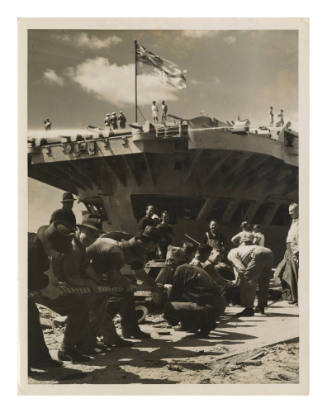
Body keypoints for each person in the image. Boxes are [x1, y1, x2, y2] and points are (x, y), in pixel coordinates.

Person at [28, 221, 89, 372]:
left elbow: (43, 276)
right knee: (24, 318)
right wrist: (50, 290)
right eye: (59, 251)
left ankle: (39, 359)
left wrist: (55, 286)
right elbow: (36, 281)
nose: (60, 255)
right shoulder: (32, 250)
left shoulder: (39, 247)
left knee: (30, 314)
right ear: (50, 245)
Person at [86, 225, 163, 341]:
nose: (156, 248)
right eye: (156, 245)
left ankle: (130, 330)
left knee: (126, 294)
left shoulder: (133, 243)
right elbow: (115, 276)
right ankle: (93, 332)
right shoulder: (119, 248)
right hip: (90, 269)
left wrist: (153, 286)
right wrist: (128, 285)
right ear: (151, 243)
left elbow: (139, 273)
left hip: (103, 267)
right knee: (115, 297)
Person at [163, 244, 226, 337]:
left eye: (170, 260)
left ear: (177, 260)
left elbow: (175, 294)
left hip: (210, 306)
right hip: (217, 303)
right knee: (184, 300)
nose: (168, 263)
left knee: (169, 307)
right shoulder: (189, 268)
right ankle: (192, 325)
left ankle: (205, 324)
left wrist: (169, 316)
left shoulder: (181, 269)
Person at [227, 242, 273, 316]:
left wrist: (237, 282)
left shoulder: (230, 254)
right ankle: (261, 307)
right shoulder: (241, 250)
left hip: (258, 253)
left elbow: (241, 269)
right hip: (269, 252)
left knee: (247, 280)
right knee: (263, 281)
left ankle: (248, 309)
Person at [275, 203, 299, 304]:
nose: (289, 213)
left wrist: (297, 252)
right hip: (289, 250)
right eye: (289, 211)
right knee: (289, 275)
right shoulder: (293, 221)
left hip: (295, 250)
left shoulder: (302, 221)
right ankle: (294, 297)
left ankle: (300, 298)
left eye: (292, 211)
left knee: (297, 275)